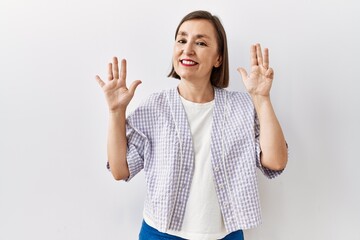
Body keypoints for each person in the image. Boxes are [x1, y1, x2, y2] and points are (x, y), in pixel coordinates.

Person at [96, 10, 288, 240]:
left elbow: (275, 161)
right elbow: (120, 170)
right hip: (160, 233)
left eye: (200, 42)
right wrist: (116, 112)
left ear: (218, 58)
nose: (187, 49)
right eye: (182, 40)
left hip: (225, 235)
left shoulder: (242, 108)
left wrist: (262, 99)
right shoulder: (154, 107)